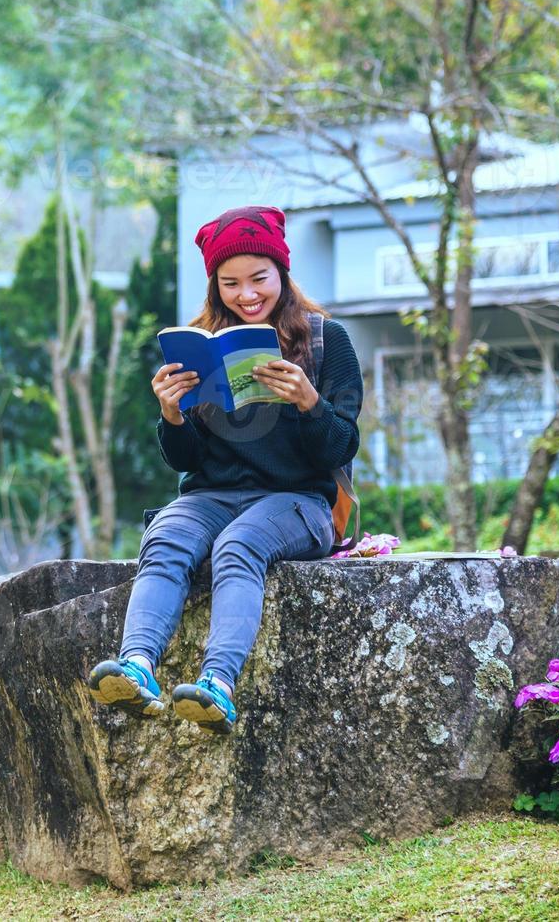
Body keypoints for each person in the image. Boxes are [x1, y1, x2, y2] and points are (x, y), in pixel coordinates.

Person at [85, 204, 363, 734]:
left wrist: (309, 402)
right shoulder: (197, 344)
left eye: (259, 278)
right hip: (212, 495)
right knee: (165, 536)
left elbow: (340, 448)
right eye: (230, 283)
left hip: (300, 501)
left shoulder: (329, 341)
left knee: (238, 546)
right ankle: (137, 667)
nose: (247, 294)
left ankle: (216, 685)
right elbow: (186, 461)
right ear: (216, 286)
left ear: (282, 271)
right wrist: (171, 415)